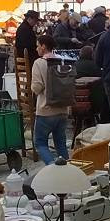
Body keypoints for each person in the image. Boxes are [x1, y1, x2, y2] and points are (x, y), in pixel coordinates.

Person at [31, 34, 70, 163]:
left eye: (38, 46)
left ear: (43, 46)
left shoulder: (39, 63)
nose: (36, 49)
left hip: (46, 110)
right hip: (63, 109)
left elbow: (37, 87)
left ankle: (52, 169)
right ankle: (67, 172)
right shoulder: (63, 61)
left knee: (41, 143)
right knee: (60, 144)